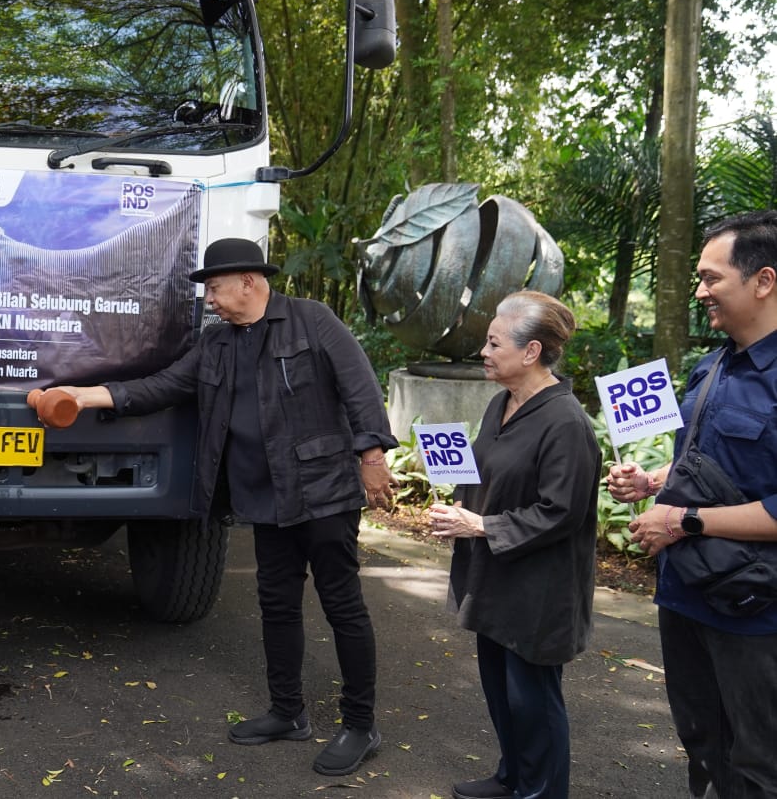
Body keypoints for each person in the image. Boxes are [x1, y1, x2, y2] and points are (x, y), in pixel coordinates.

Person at [46, 237, 397, 776]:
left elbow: (359, 386)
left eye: (214, 287)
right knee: (277, 605)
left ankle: (359, 725)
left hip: (323, 490)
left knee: (342, 606)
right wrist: (85, 395)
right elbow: (161, 387)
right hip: (263, 495)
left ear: (250, 282)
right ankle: (288, 712)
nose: (209, 298)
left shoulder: (312, 320)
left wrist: (372, 457)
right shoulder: (217, 344)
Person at [608, 210, 777, 799]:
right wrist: (652, 482)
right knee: (703, 749)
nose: (699, 291)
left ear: (763, 281)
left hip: (756, 615)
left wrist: (683, 520)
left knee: (759, 765)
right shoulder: (711, 367)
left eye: (712, 278)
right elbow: (709, 465)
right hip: (685, 598)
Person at [426, 291, 602, 799]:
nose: (483, 350)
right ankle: (513, 779)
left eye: (493, 342)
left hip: (540, 589)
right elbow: (490, 475)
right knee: (502, 692)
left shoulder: (566, 422)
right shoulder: (500, 402)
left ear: (531, 352)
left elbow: (560, 511)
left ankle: (542, 792)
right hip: (494, 578)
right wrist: (453, 505)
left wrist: (480, 526)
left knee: (534, 701)